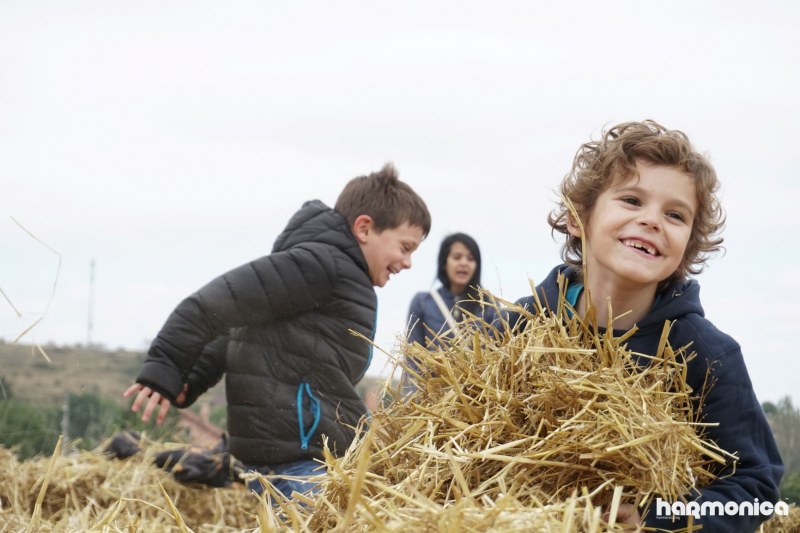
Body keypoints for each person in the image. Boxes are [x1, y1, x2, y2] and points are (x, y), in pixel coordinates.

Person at [507, 120, 783, 531]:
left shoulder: (706, 355)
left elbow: (755, 491)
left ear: (688, 246)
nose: (653, 220)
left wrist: (657, 518)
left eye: (675, 214)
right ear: (576, 217)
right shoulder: (514, 330)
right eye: (632, 200)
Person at [123, 163, 431, 499]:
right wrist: (167, 366)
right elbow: (212, 305)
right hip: (296, 459)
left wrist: (192, 379)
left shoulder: (341, 277)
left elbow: (241, 331)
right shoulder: (319, 266)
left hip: (308, 453)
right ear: (364, 228)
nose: (408, 262)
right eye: (405, 247)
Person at [403, 233, 486, 389]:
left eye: (470, 258)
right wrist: (413, 401)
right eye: (456, 257)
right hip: (435, 398)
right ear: (444, 263)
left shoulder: (487, 306)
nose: (464, 263)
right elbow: (413, 360)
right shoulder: (423, 303)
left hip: (476, 398)